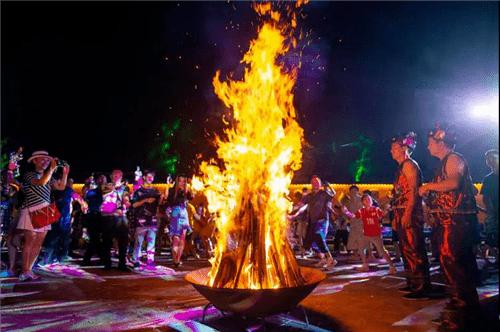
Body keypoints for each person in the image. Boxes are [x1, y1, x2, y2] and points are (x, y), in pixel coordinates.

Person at [418, 123, 480, 331]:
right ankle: (458, 306)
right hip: (447, 221)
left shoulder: (454, 159)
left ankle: (465, 310)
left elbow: (453, 183)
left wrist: (427, 187)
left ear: (440, 143)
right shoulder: (444, 162)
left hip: (456, 221)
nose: (427, 148)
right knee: (448, 262)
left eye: (430, 143)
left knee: (453, 262)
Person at [16, 151, 69, 281]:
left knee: (38, 243)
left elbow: (61, 187)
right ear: (34, 161)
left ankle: (30, 270)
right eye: (43, 160)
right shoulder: (29, 175)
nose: (46, 162)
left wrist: (65, 173)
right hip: (31, 209)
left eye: (48, 161)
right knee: (29, 242)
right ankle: (24, 271)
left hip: (44, 211)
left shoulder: (48, 176)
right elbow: (40, 182)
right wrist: (51, 168)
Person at [390, 132, 430, 299]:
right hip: (401, 211)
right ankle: (413, 283)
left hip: (410, 212)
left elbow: (413, 191)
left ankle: (421, 287)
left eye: (394, 147)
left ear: (404, 148)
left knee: (414, 248)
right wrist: (395, 216)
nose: (391, 151)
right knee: (406, 249)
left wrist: (407, 213)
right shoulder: (401, 167)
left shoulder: (409, 165)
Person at [290, 176, 337, 270]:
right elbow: (301, 205)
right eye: (313, 182)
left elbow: (333, 194)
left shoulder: (324, 193)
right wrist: (292, 209)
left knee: (319, 236)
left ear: (320, 184)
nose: (315, 183)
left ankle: (330, 259)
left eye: (317, 182)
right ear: (311, 184)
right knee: (311, 242)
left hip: (322, 220)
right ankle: (323, 259)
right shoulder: (309, 196)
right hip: (312, 221)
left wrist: (328, 186)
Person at [344, 194, 397, 274]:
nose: (367, 200)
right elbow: (353, 216)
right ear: (362, 202)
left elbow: (383, 215)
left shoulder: (376, 209)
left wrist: (387, 209)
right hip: (366, 233)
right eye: (365, 199)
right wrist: (346, 212)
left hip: (375, 234)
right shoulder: (362, 211)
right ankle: (365, 265)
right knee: (361, 248)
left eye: (369, 199)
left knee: (381, 250)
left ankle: (392, 266)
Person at [43, 177, 87, 265]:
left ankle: (63, 256)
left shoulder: (67, 190)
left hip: (64, 217)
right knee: (53, 238)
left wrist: (83, 204)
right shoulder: (50, 191)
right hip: (53, 218)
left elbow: (77, 198)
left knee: (65, 238)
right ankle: (53, 257)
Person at [131, 170, 164, 268]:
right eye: (148, 176)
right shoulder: (139, 191)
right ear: (144, 177)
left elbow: (160, 204)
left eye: (152, 177)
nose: (150, 179)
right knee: (139, 241)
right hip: (141, 220)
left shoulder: (155, 191)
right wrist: (145, 200)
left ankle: (150, 260)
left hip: (152, 219)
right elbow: (134, 204)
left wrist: (162, 197)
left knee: (151, 241)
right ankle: (136, 260)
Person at [100, 169, 131, 271]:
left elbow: (126, 197)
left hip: (120, 216)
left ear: (121, 177)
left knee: (123, 240)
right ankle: (107, 263)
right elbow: (104, 192)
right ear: (111, 176)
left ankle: (122, 263)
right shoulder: (107, 185)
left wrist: (125, 203)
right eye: (114, 175)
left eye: (118, 175)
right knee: (107, 241)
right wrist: (115, 188)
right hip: (107, 216)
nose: (116, 177)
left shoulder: (124, 187)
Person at [166, 174, 194, 268]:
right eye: (180, 181)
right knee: (176, 239)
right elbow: (167, 199)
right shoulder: (172, 191)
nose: (182, 183)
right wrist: (167, 185)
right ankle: (175, 260)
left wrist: (191, 186)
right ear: (177, 182)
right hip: (176, 214)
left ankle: (177, 260)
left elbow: (192, 197)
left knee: (182, 238)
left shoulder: (186, 192)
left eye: (183, 181)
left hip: (183, 214)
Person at [480, 149, 499, 268]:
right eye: (488, 158)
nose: (489, 161)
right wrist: (489, 212)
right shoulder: (488, 179)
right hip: (494, 213)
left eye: (492, 157)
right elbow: (485, 198)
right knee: (492, 239)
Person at [82, 174, 106, 266]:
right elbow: (85, 195)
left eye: (103, 180)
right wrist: (87, 185)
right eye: (99, 180)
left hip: (105, 216)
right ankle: (101, 257)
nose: (101, 181)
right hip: (93, 216)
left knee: (98, 238)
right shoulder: (93, 192)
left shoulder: (108, 191)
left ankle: (98, 257)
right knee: (94, 237)